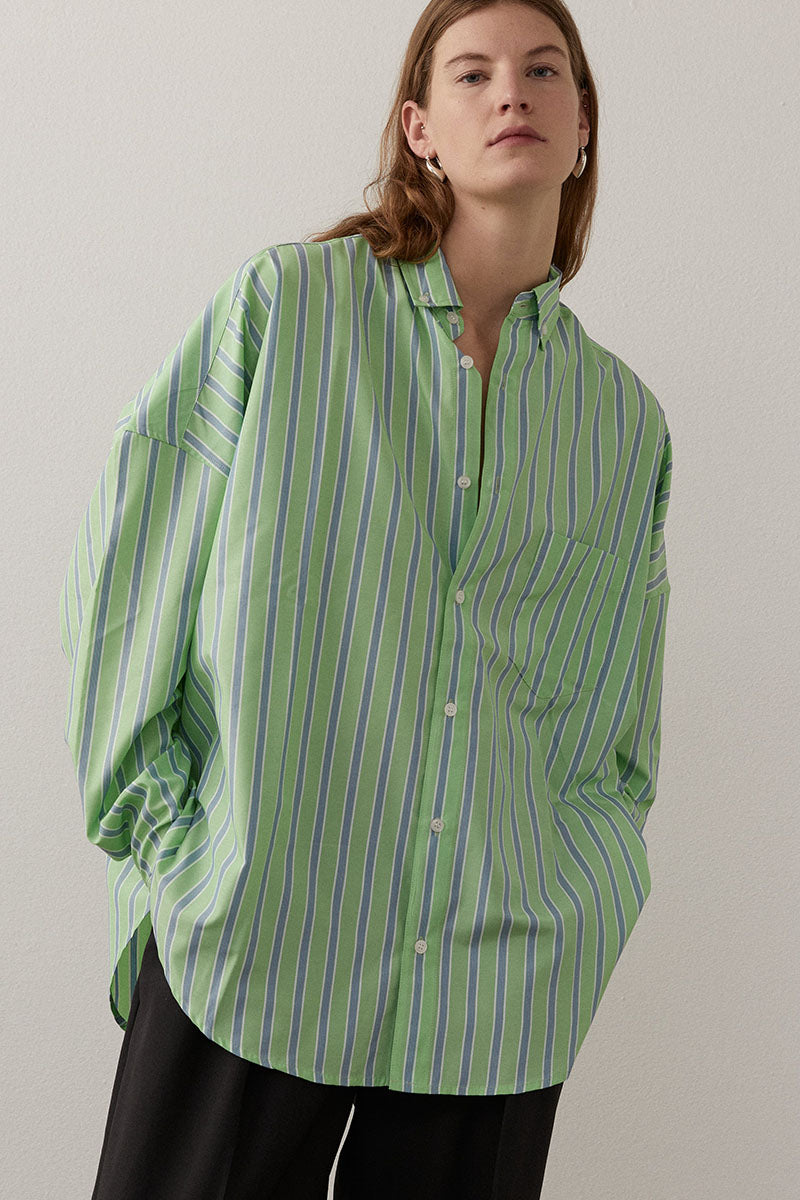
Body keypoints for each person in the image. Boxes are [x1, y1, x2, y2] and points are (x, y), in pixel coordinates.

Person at [59, 1, 673, 1196]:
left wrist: (581, 896)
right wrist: (177, 854)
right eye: (472, 73)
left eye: (544, 70)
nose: (512, 92)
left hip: (494, 992)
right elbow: (127, 586)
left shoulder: (619, 422)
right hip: (255, 938)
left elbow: (616, 719)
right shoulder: (286, 310)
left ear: (583, 125)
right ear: (419, 129)